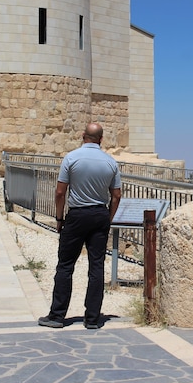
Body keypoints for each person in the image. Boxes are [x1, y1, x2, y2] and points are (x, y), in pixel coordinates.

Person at [38, 122, 122, 329]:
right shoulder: (111, 163)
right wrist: (108, 218)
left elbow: (60, 192)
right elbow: (117, 195)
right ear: (101, 139)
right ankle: (92, 318)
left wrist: (59, 218)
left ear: (83, 136)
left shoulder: (71, 158)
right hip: (100, 214)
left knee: (66, 265)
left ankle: (57, 316)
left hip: (76, 215)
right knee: (96, 266)